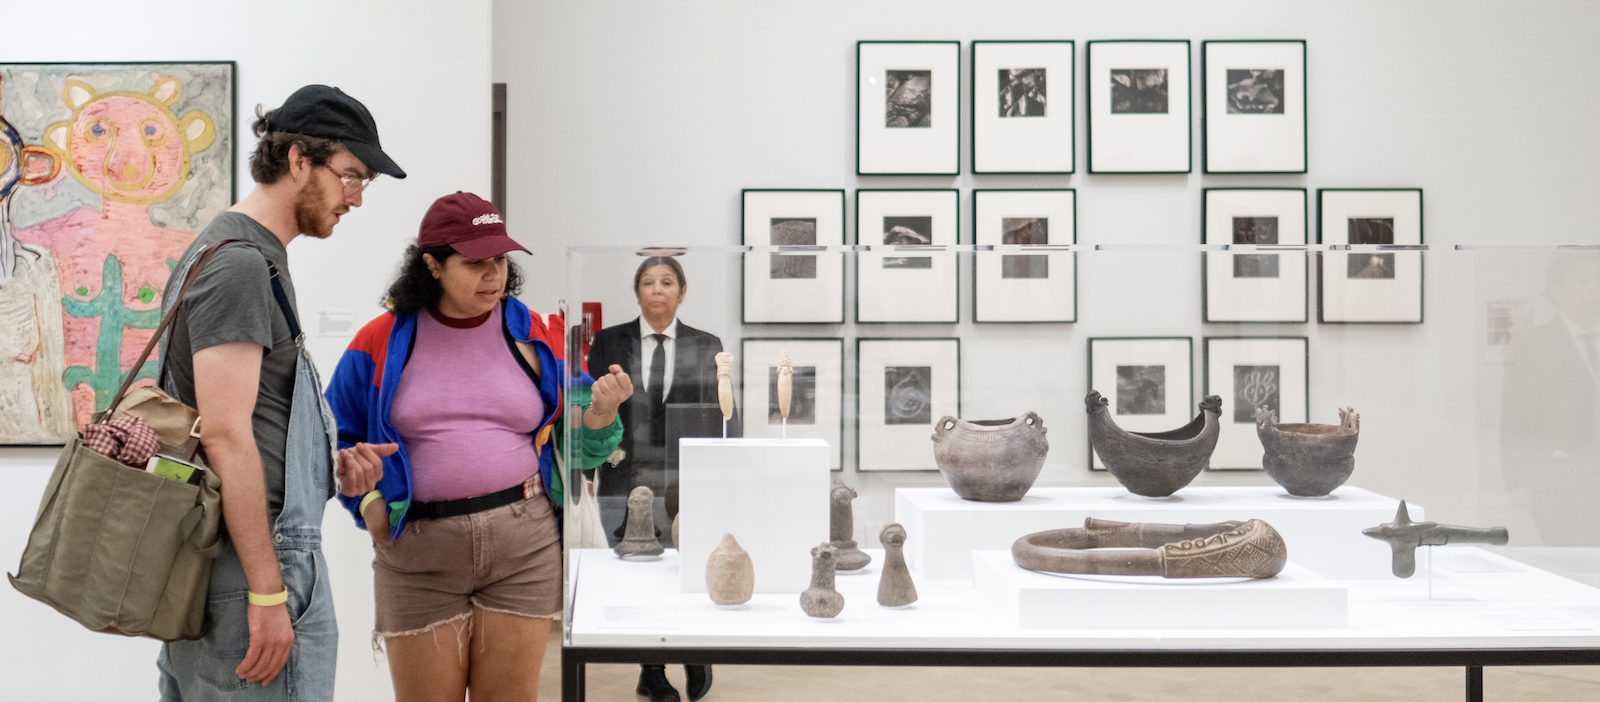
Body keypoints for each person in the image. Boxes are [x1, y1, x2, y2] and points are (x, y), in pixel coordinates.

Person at [325, 192, 631, 700]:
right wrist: (369, 504)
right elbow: (336, 436)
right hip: (419, 550)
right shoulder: (379, 340)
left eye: (499, 261)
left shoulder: (535, 334)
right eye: (474, 263)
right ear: (432, 265)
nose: (493, 275)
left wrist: (602, 410)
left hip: (523, 543)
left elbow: (580, 445)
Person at [156, 85, 404, 700]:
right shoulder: (240, 265)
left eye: (364, 182)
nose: (357, 198)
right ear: (297, 160)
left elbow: (243, 417)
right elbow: (224, 433)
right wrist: (268, 590)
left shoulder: (242, 254)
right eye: (350, 175)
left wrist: (324, 465)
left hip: (247, 557)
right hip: (255, 565)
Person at [586, 256, 722, 702]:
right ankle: (652, 669)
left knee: (689, 560)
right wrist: (586, 469)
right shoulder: (608, 342)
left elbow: (724, 414)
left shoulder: (707, 344)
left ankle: (695, 652)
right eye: (648, 282)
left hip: (686, 474)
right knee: (641, 568)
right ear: (638, 291)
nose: (658, 290)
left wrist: (724, 471)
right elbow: (590, 407)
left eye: (667, 282)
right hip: (624, 472)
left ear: (681, 292)